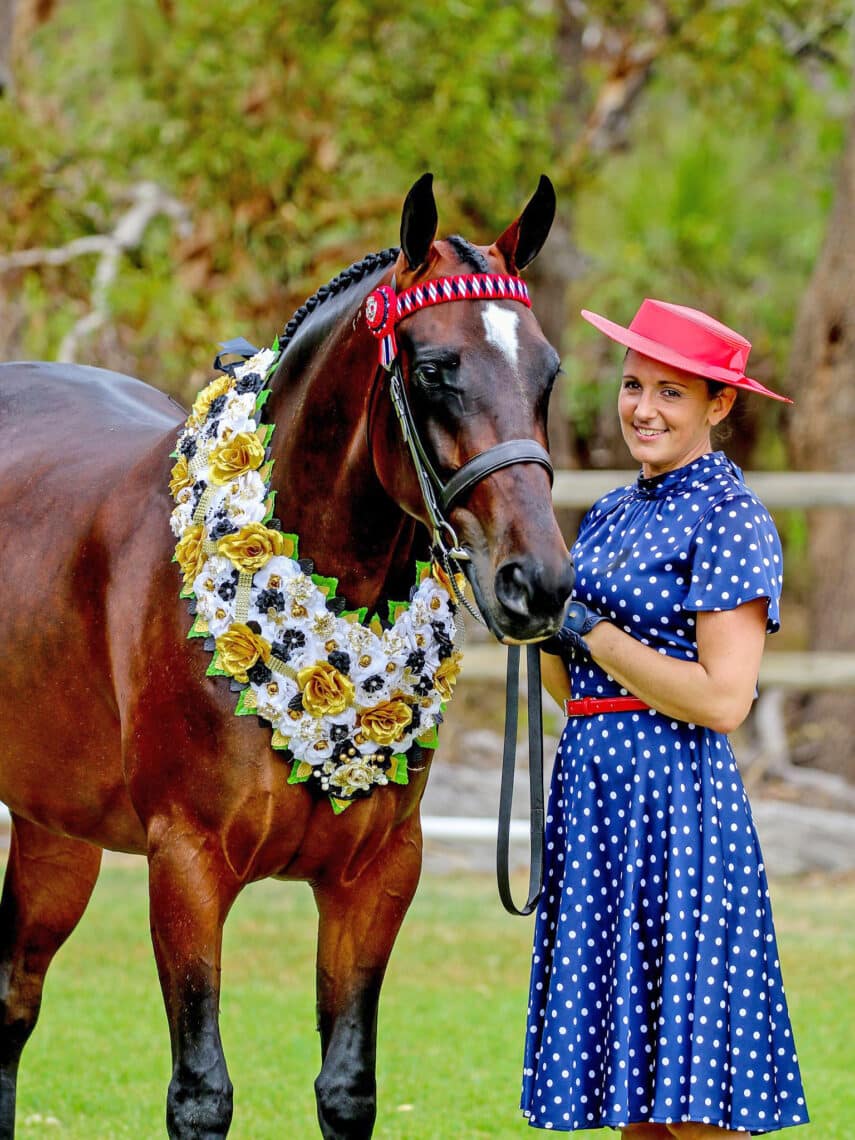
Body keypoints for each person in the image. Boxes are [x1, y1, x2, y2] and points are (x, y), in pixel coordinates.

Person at [521, 299, 808, 1138]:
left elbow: (724, 699)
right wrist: (539, 625)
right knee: (631, 1090)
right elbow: (571, 689)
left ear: (718, 405)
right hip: (596, 799)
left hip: (675, 807)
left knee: (693, 1095)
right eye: (634, 385)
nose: (642, 409)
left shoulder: (731, 519)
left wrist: (593, 632)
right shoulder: (609, 514)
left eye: (671, 394)